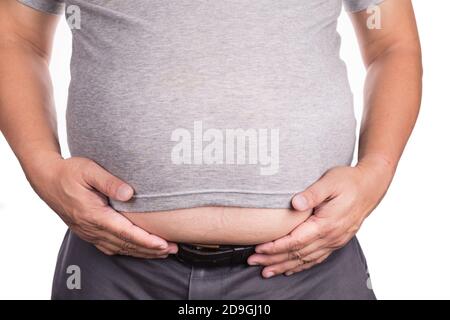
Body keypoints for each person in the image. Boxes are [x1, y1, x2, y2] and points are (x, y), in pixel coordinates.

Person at [0, 0, 422, 299]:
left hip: (311, 268)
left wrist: (376, 171)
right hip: (114, 268)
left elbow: (392, 45)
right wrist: (42, 166)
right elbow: (15, 37)